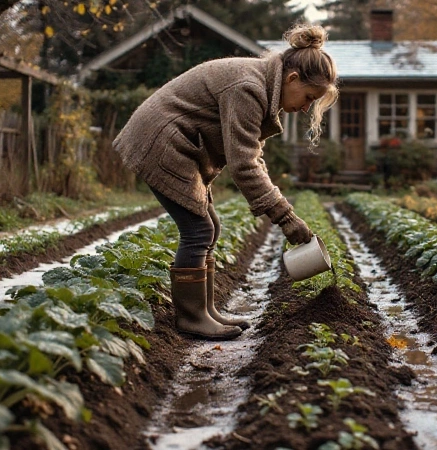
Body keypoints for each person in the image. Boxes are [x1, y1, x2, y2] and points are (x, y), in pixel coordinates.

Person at [113, 24, 338, 340]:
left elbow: (251, 156)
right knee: (197, 230)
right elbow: (243, 165)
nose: (304, 108)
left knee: (209, 227)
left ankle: (205, 311)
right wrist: (286, 218)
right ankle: (191, 318)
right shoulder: (248, 88)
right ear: (292, 79)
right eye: (308, 97)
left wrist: (281, 211)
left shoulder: (261, 86)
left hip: (177, 142)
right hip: (160, 141)